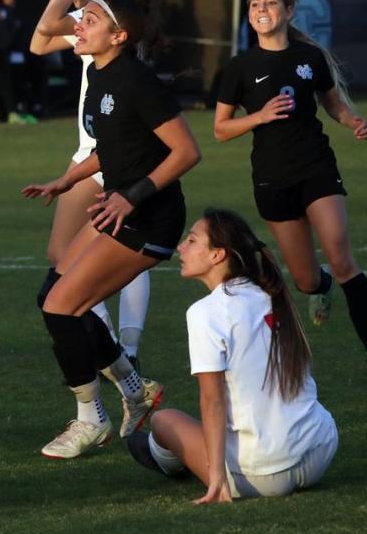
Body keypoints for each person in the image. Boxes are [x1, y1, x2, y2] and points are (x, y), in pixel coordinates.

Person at [22, 0, 201, 459]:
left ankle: (90, 420)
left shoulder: (137, 82)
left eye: (91, 19)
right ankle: (136, 391)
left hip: (151, 218)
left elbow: (186, 152)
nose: (78, 24)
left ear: (118, 35)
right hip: (119, 207)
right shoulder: (99, 77)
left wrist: (131, 196)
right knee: (53, 296)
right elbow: (113, 149)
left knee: (61, 308)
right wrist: (66, 180)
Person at [213, 0, 367, 383]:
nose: (261, 10)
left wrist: (352, 119)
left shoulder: (309, 58)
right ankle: (319, 287)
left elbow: (333, 103)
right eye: (255, 4)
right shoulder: (239, 68)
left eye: (270, 3)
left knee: (342, 258)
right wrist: (260, 116)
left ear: (289, 11)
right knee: (307, 279)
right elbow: (220, 128)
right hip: (272, 179)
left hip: (316, 167)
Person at [127, 209, 338, 502]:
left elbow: (212, 400)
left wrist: (216, 479)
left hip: (266, 477)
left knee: (164, 420)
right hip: (321, 449)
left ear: (218, 255)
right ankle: (172, 456)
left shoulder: (205, 312)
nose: (181, 248)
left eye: (191, 240)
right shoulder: (270, 292)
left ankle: (169, 461)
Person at [30, 0, 151, 371]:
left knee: (74, 260)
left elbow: (45, 26)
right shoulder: (99, 17)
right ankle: (124, 353)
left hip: (108, 154)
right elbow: (38, 44)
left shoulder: (104, 17)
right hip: (104, 151)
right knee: (111, 250)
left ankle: (116, 353)